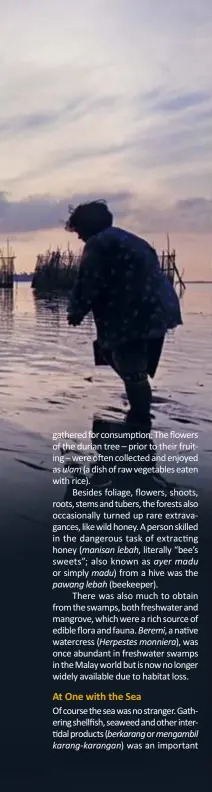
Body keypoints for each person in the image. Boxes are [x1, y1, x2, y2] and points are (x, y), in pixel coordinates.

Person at [65, 199, 182, 424]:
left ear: (87, 226)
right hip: (160, 309)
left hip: (135, 314)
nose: (78, 235)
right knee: (127, 363)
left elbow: (89, 281)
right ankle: (139, 418)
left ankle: (139, 422)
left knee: (131, 368)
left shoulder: (98, 243)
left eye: (78, 230)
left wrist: (76, 311)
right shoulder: (131, 239)